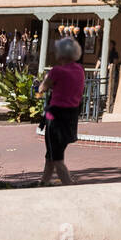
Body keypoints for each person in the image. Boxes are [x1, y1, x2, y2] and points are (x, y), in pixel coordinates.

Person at [35, 37, 84, 186]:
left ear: (61, 54)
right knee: (52, 153)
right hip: (71, 116)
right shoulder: (80, 70)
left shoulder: (57, 71)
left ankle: (69, 186)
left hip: (55, 116)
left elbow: (42, 88)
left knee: (56, 158)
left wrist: (44, 81)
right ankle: (43, 183)